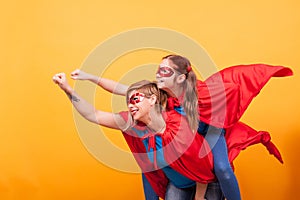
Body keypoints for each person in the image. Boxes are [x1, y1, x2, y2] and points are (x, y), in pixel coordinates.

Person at [70, 54, 293, 200]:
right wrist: (89, 77)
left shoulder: (198, 94)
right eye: (158, 70)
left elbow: (233, 90)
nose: (158, 74)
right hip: (187, 138)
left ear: (180, 77)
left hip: (211, 129)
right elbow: (122, 89)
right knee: (148, 164)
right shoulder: (162, 96)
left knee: (222, 170)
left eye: (165, 71)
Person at [53, 74, 222, 199]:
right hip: (179, 184)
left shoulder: (178, 125)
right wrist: (68, 89)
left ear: (152, 100)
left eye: (135, 99)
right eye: (128, 101)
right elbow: (94, 114)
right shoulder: (132, 124)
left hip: (205, 183)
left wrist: (199, 198)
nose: (130, 105)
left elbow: (204, 167)